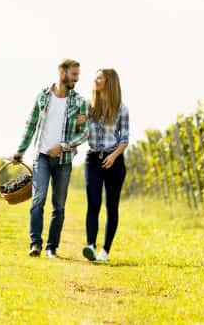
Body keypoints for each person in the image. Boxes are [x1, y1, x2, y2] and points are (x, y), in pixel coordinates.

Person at [12, 59, 89, 258]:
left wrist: (63, 147)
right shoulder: (43, 96)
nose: (76, 79)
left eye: (78, 75)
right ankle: (35, 244)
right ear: (61, 72)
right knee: (38, 200)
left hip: (64, 161)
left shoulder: (80, 102)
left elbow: (84, 133)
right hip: (42, 157)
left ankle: (51, 248)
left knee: (59, 205)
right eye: (74, 75)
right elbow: (31, 124)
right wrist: (20, 150)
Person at [82, 68, 129, 263]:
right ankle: (90, 246)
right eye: (96, 77)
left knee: (112, 206)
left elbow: (124, 139)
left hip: (114, 161)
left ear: (109, 82)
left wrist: (114, 156)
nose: (95, 80)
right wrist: (80, 124)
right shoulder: (88, 106)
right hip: (93, 159)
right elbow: (83, 133)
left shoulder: (121, 108)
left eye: (100, 77)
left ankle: (105, 251)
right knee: (93, 203)